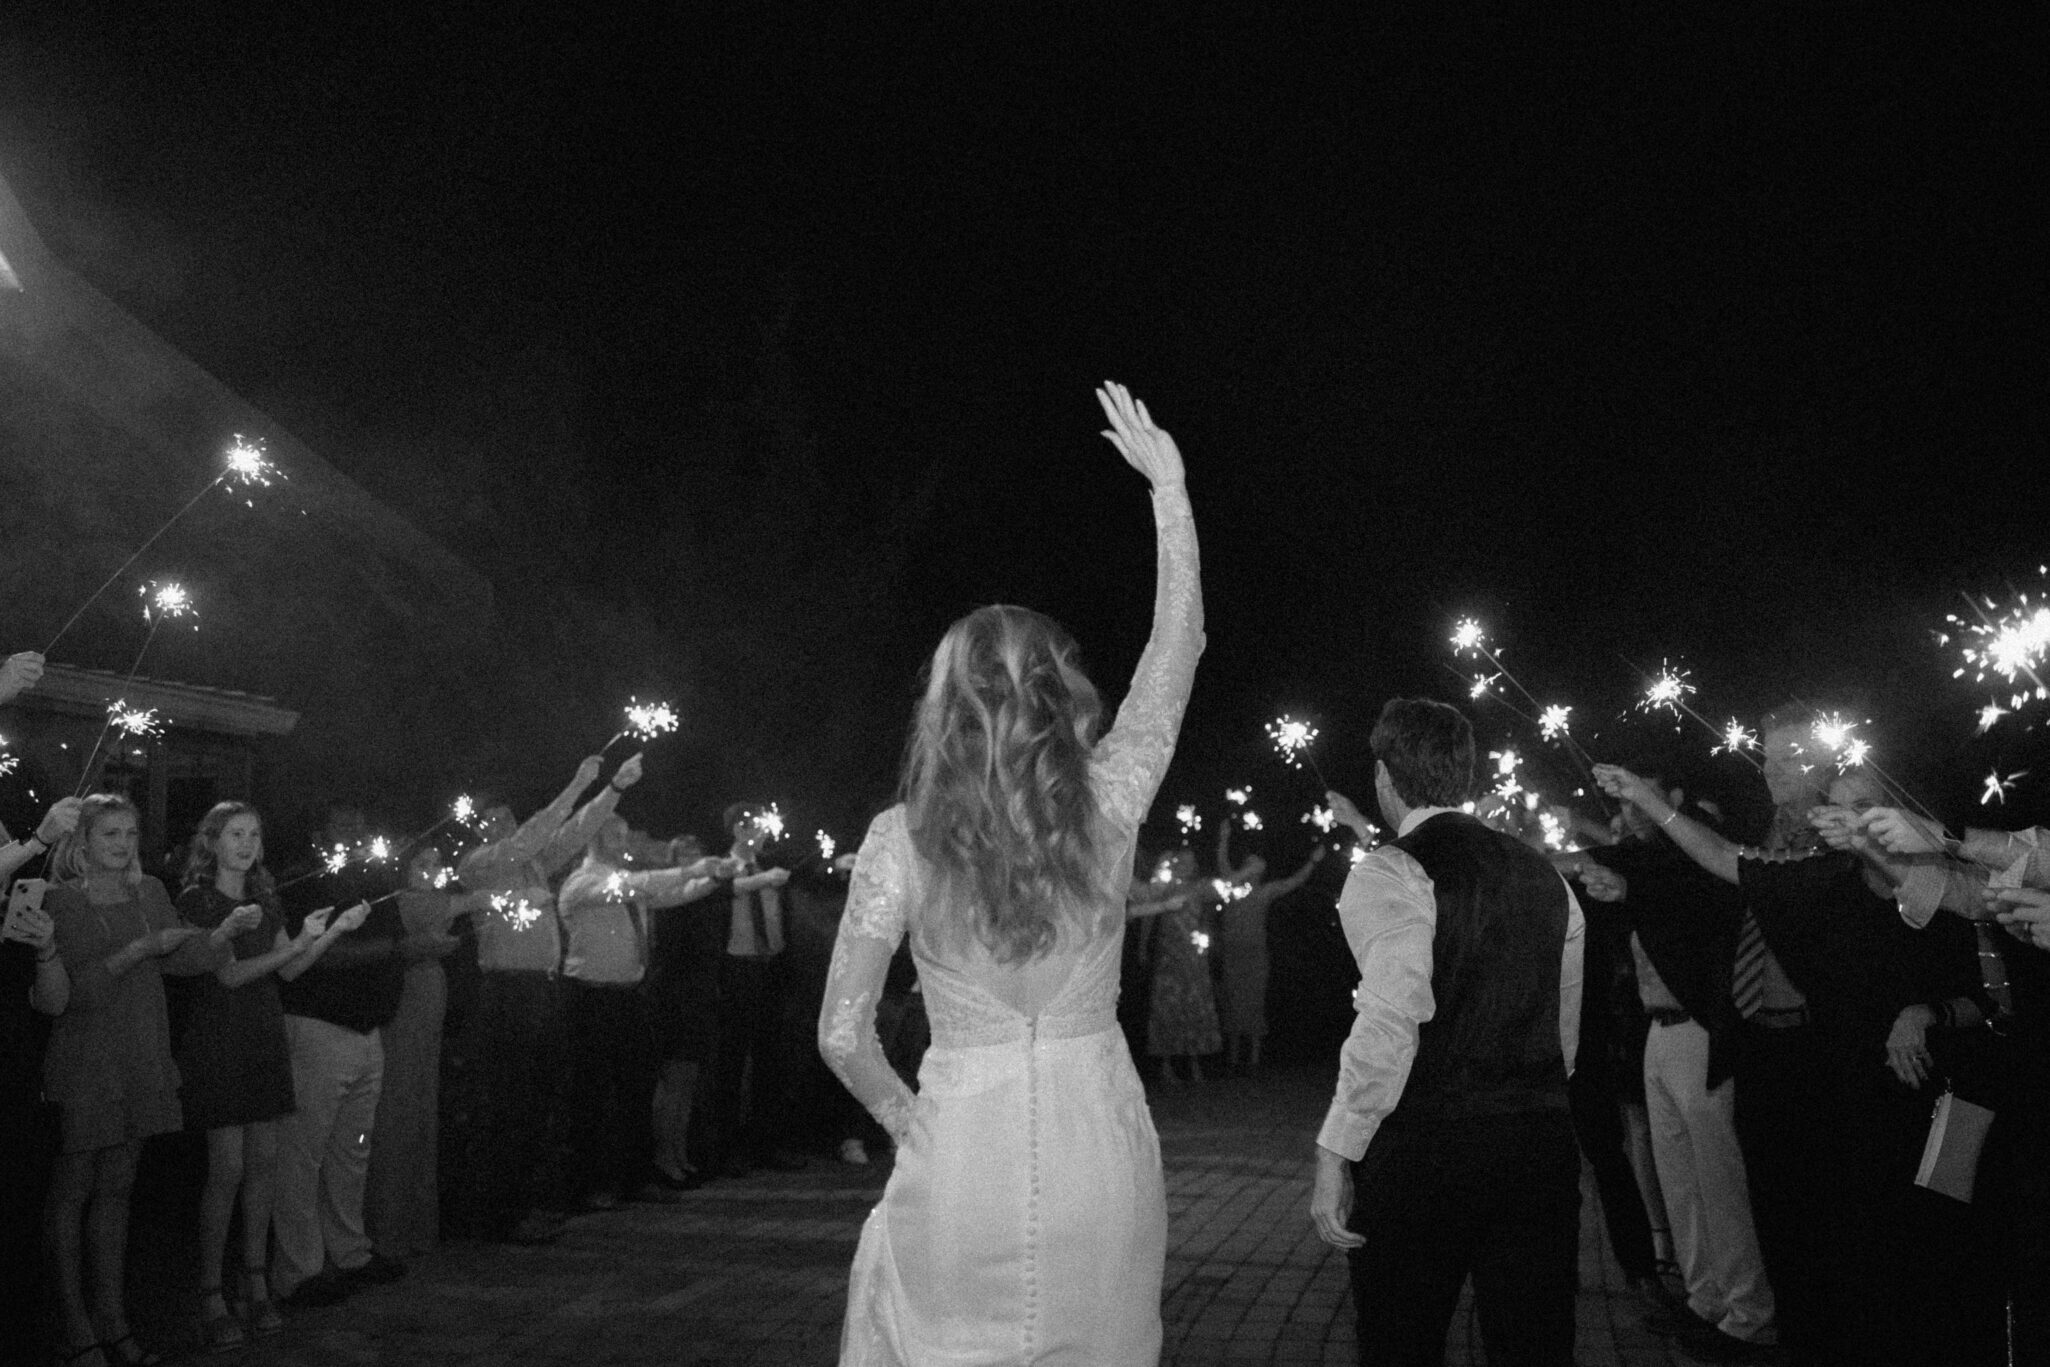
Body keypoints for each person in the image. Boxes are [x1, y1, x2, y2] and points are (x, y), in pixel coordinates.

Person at [819, 382, 1200, 1363]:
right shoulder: (1109, 805)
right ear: (1058, 695)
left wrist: (915, 1127)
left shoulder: (897, 838)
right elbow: (1174, 654)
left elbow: (841, 1034)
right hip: (1097, 1160)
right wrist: (1170, 493)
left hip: (960, 1166)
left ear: (946, 706)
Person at [1310, 699, 1585, 1367]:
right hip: (1540, 1144)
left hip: (1428, 1146)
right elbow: (1563, 1015)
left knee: (1400, 1341)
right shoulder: (1543, 872)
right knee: (1533, 1345)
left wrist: (1335, 1150)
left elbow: (1389, 1017)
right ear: (1464, 773)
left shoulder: (1388, 871)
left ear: (1383, 774)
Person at [42, 794, 255, 1367]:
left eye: (130, 833)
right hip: (88, 1061)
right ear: (82, 841)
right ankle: (74, 1320)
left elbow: (180, 963)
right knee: (73, 1190)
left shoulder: (151, 892)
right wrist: (139, 948)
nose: (123, 844)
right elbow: (68, 996)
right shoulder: (59, 900)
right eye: (110, 833)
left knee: (118, 1189)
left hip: (141, 1058)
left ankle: (112, 1316)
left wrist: (222, 933)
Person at [446, 755, 624, 1243]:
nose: (502, 824)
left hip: (539, 990)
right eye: (491, 819)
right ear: (476, 828)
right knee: (507, 1103)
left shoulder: (531, 864)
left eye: (505, 816)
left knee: (536, 1099)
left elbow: (567, 833)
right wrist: (576, 781)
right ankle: (500, 1214)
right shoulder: (479, 864)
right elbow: (536, 833)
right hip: (506, 994)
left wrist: (611, 791)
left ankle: (527, 1203)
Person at [174, 802, 330, 1350]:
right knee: (227, 1169)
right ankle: (210, 1289)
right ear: (213, 842)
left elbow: (289, 967)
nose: (246, 843)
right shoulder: (197, 901)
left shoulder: (266, 897)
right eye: (236, 834)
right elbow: (232, 975)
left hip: (263, 1038)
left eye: (254, 834)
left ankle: (256, 1281)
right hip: (220, 1042)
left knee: (264, 1163)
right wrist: (288, 943)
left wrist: (324, 935)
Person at [270, 804, 416, 1308]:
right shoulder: (302, 882)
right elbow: (315, 955)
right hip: (318, 1028)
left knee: (351, 1149)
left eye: (360, 824)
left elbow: (394, 937)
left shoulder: (373, 879)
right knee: (303, 1152)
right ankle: (299, 1270)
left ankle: (350, 1252)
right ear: (319, 834)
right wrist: (383, 949)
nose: (354, 834)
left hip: (367, 1031)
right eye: (342, 826)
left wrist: (387, 947)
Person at [556, 810, 726, 1207]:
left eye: (624, 833)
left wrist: (713, 875)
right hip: (591, 996)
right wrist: (691, 870)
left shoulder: (623, 881)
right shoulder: (584, 882)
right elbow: (637, 885)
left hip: (628, 994)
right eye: (616, 835)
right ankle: (587, 1186)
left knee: (636, 1088)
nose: (625, 842)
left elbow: (669, 895)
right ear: (594, 840)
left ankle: (633, 1178)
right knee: (592, 1094)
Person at [363, 845, 483, 1259]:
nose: (430, 871)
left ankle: (414, 1224)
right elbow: (457, 904)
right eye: (421, 864)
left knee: (421, 1107)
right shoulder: (404, 902)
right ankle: (388, 1227)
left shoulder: (432, 904)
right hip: (405, 1004)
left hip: (431, 995)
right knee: (397, 1108)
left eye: (436, 864)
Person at [1, 795, 81, 1362]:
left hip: (18, 1090)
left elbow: (51, 1005)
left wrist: (47, 947)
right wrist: (36, 842)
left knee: (19, 1218)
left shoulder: (12, 931)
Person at [708, 802, 801, 1174]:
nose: (762, 834)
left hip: (769, 967)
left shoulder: (765, 869)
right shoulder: (724, 866)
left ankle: (765, 1145)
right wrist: (763, 881)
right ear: (736, 831)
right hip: (736, 970)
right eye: (754, 828)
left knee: (770, 1061)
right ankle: (724, 1151)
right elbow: (724, 890)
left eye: (764, 828)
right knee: (730, 1062)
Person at [1214, 822, 1324, 1072]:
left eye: (1256, 864)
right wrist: (1224, 837)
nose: (1252, 867)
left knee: (1254, 1002)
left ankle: (1253, 1059)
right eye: (1249, 863)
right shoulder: (1230, 888)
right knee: (1233, 1001)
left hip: (1255, 954)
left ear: (1260, 872)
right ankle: (1232, 1059)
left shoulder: (1265, 892)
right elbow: (1222, 861)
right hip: (1233, 952)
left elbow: (1295, 881)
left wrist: (1313, 862)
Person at [1142, 846, 1222, 1083]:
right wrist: (1142, 946)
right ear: (1175, 865)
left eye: (1191, 862)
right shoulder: (1163, 889)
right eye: (1183, 862)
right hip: (1170, 956)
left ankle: (1195, 1065)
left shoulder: (1199, 887)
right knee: (1168, 1009)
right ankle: (1167, 1067)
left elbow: (1225, 885)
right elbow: (1149, 916)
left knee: (1194, 1008)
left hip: (1194, 958)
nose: (1188, 866)